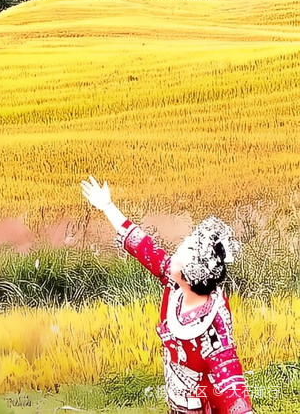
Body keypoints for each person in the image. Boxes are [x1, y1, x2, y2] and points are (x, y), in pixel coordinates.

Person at [81, 176, 253, 414]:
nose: (172, 257)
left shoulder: (214, 323)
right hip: (176, 394)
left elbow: (230, 381)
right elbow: (144, 247)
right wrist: (108, 206)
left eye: (180, 256)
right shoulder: (176, 284)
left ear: (193, 275)